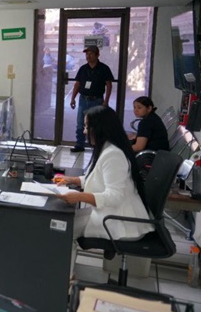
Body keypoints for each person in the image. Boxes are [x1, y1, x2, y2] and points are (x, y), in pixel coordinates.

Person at [56, 106, 154, 252]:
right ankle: (66, 265)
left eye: (87, 127)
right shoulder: (108, 148)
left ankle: (62, 266)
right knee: (60, 224)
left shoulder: (114, 155)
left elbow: (114, 197)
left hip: (119, 222)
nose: (84, 131)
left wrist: (78, 196)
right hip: (112, 214)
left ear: (99, 128)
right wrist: (72, 180)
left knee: (58, 228)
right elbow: (99, 178)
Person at [69, 45, 114, 152]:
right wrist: (73, 98)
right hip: (83, 100)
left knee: (96, 124)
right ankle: (79, 144)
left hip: (97, 100)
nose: (88, 56)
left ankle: (97, 145)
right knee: (80, 123)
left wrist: (106, 101)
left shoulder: (104, 68)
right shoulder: (83, 69)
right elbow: (77, 84)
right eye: (87, 54)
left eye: (91, 54)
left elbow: (109, 85)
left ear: (97, 55)